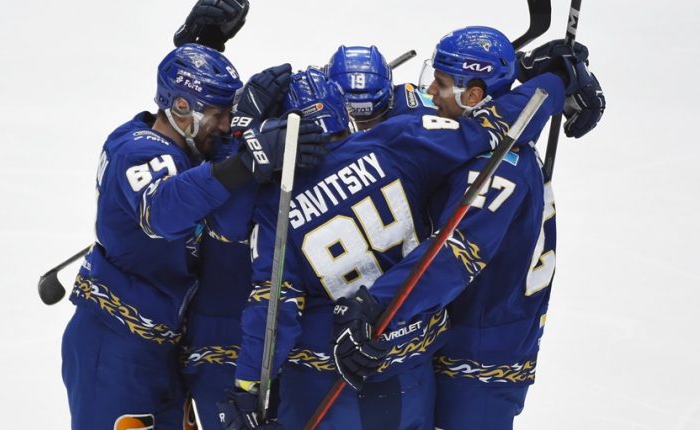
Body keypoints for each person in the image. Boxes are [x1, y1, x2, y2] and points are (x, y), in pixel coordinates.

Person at [221, 33, 575, 427]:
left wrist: (249, 386)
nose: (430, 91)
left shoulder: (274, 205)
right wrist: (553, 81)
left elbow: (274, 304)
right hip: (415, 367)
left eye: (440, 83)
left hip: (332, 376)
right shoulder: (398, 140)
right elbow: (491, 127)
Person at [330, 29, 605, 430]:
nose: (430, 91)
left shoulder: (494, 171)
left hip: (482, 353)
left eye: (441, 84)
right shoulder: (494, 138)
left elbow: (454, 256)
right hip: (480, 330)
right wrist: (544, 76)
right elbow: (421, 116)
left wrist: (376, 305)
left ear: (474, 96)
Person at [60, 40, 326, 429]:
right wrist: (248, 159)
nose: (225, 127)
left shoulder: (185, 146)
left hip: (164, 349)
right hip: (116, 346)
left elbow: (212, 165)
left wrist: (248, 125)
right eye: (218, 115)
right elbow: (164, 211)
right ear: (181, 108)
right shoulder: (137, 150)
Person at [325, 45, 436, 130]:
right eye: (349, 119)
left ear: (390, 99)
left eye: (368, 120)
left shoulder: (419, 112)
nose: (360, 129)